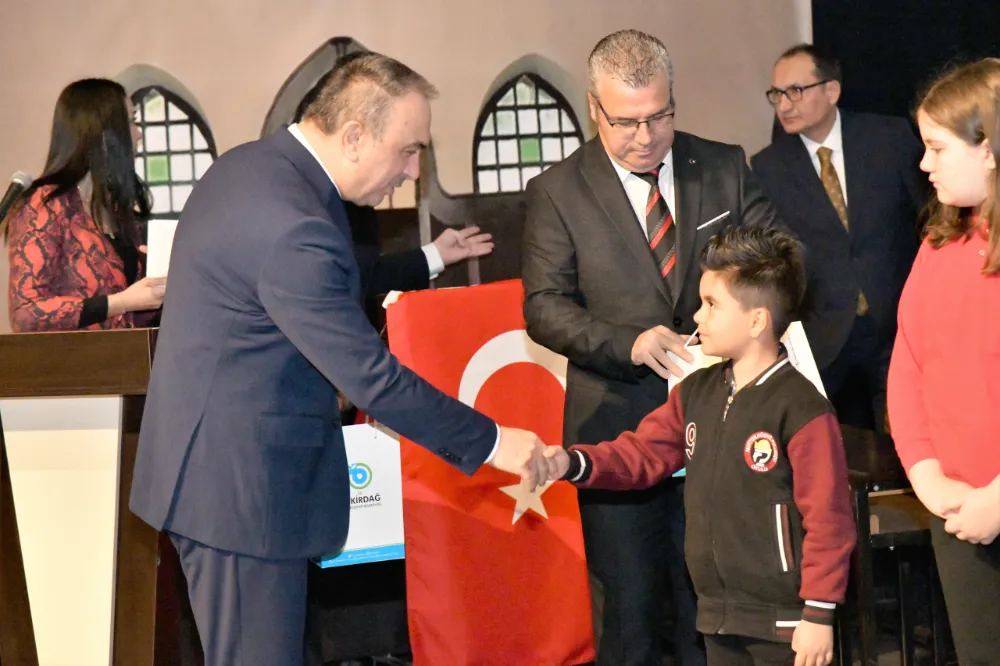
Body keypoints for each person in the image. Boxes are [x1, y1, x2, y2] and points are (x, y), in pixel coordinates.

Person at [128, 53, 550, 666]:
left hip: (223, 474)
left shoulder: (254, 166)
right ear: (353, 137)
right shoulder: (293, 223)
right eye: (408, 151)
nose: (412, 172)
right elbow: (372, 378)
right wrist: (493, 442)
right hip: (241, 494)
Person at [521, 29, 780, 666]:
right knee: (629, 617)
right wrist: (628, 343)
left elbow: (779, 261)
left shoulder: (721, 166)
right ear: (594, 108)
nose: (646, 136)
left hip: (720, 425)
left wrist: (738, 319)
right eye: (626, 122)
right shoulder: (558, 190)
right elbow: (544, 307)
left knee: (711, 610)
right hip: (617, 424)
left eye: (660, 116)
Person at [545, 225, 855, 666]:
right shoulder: (696, 392)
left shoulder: (803, 408)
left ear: (757, 320)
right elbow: (641, 455)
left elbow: (829, 519)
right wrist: (572, 462)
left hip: (787, 623)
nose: (696, 316)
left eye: (711, 304)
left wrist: (819, 613)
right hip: (716, 617)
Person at [887, 58, 1000, 665]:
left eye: (937, 147)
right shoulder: (940, 244)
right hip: (957, 509)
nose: (924, 164)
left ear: (989, 149)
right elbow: (908, 365)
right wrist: (927, 474)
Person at [751, 44, 925, 432]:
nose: (784, 105)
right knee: (823, 443)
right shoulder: (767, 167)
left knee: (904, 436)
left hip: (896, 324)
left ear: (831, 90)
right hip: (823, 333)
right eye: (776, 94)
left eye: (795, 91)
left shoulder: (890, 138)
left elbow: (929, 220)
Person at [3, 78, 166, 331]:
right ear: (102, 132)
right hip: (70, 356)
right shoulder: (44, 205)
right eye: (131, 121)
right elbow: (26, 313)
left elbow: (131, 318)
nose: (138, 133)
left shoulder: (115, 209)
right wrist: (121, 302)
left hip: (126, 354)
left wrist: (157, 291)